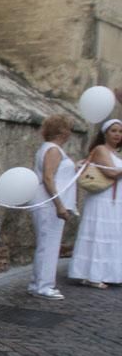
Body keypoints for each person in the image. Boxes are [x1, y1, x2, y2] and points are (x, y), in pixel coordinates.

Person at [27, 115, 77, 299]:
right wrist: (59, 205)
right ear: (62, 131)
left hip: (45, 201)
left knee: (45, 243)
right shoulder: (54, 150)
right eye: (68, 129)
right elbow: (49, 178)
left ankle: (37, 282)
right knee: (49, 244)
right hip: (48, 203)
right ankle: (44, 285)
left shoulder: (48, 149)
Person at [69, 118, 122, 287]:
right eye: (113, 131)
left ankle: (104, 273)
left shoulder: (116, 152)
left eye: (120, 131)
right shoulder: (101, 149)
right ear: (105, 133)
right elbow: (112, 173)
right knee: (99, 234)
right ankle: (93, 276)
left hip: (115, 199)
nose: (117, 134)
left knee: (111, 236)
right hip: (102, 199)